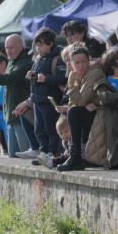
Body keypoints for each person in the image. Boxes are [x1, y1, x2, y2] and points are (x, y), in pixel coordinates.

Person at [56, 45, 105, 171]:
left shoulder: (95, 73)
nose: (81, 65)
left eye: (84, 61)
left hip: (103, 114)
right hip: (90, 114)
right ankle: (73, 156)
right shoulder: (78, 75)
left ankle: (75, 156)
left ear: (89, 60)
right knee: (73, 112)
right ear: (71, 64)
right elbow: (75, 103)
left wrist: (71, 86)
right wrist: (82, 102)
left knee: (73, 112)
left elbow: (81, 100)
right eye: (77, 62)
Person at [27, 28, 68, 159]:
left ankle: (52, 152)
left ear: (50, 44)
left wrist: (46, 79)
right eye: (36, 45)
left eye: (41, 45)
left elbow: (63, 78)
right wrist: (30, 76)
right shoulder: (39, 58)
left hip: (50, 99)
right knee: (39, 129)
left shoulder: (58, 57)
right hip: (37, 99)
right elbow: (36, 77)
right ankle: (43, 152)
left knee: (51, 128)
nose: (38, 48)